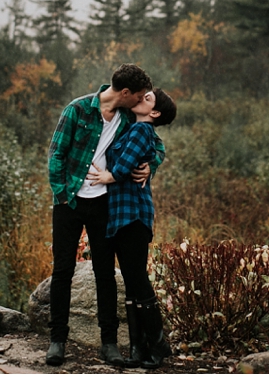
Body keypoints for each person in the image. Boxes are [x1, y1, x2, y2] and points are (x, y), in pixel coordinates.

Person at [45, 64, 164, 367]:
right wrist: (62, 194)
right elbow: (56, 153)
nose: (140, 101)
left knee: (105, 273)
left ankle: (108, 342)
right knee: (62, 271)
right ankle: (57, 341)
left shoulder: (126, 119)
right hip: (69, 202)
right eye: (137, 96)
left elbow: (156, 144)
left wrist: (153, 164)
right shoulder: (78, 110)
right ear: (125, 93)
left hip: (103, 204)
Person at [88, 87, 177, 369]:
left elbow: (125, 165)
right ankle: (139, 348)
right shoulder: (132, 126)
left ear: (155, 113)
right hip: (122, 214)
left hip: (133, 213)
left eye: (147, 98)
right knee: (131, 279)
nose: (141, 98)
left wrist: (107, 176)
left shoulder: (141, 131)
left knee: (136, 277)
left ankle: (159, 343)